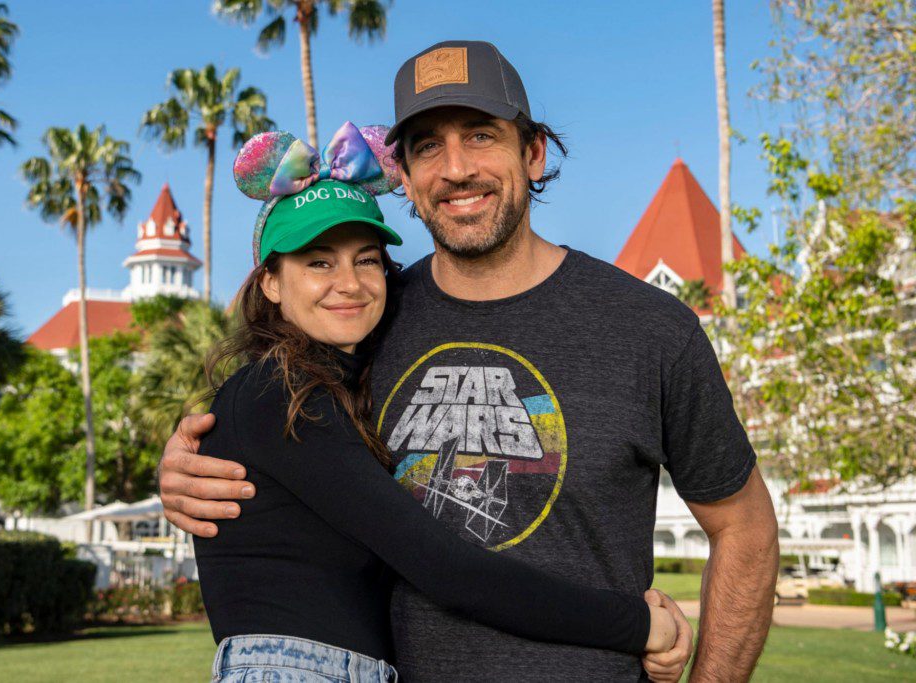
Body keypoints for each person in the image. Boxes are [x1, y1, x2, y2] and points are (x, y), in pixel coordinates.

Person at [161, 41, 779, 682]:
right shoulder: (366, 318)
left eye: (481, 136)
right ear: (402, 173)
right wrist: (186, 463)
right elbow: (275, 421)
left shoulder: (649, 329)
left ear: (533, 152)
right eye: (427, 145)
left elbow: (746, 529)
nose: (455, 169)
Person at [196, 121, 683, 683]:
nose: (350, 283)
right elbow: (447, 569)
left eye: (368, 259)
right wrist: (638, 626)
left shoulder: (330, 388)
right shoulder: (274, 394)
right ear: (272, 283)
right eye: (318, 262)